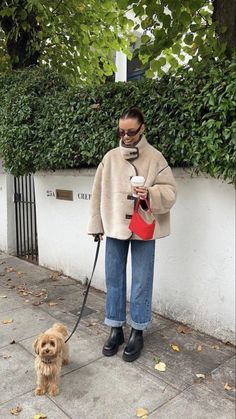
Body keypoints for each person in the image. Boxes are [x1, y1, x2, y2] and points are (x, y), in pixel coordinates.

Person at [88, 107, 177, 362]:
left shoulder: (155, 158)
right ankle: (115, 328)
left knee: (141, 281)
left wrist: (150, 193)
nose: (126, 136)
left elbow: (171, 191)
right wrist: (97, 226)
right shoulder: (110, 158)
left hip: (144, 226)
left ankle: (138, 330)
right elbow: (97, 193)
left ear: (142, 128)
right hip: (115, 226)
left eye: (131, 131)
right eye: (121, 131)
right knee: (114, 278)